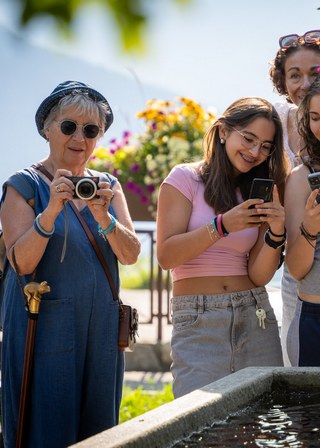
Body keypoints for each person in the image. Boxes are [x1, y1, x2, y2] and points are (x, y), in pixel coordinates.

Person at [0, 80, 141, 447]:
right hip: (43, 326)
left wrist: (104, 217)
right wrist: (50, 212)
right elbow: (21, 262)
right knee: (45, 425)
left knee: (99, 429)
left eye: (90, 130)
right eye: (68, 126)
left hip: (101, 329)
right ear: (47, 128)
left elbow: (130, 254)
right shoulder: (23, 186)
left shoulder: (107, 186)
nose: (79, 137)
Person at [156, 96, 289, 398]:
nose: (255, 152)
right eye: (249, 138)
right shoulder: (184, 178)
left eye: (266, 146)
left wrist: (277, 233)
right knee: (200, 428)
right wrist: (221, 226)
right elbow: (166, 256)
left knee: (259, 428)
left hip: (255, 313)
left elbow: (258, 276)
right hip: (199, 318)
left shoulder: (261, 189)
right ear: (224, 131)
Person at [269, 29, 320, 365]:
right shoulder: (273, 120)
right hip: (298, 252)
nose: (303, 83)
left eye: (314, 73)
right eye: (294, 75)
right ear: (283, 82)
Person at [284, 79, 320, 366]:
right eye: (316, 117)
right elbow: (296, 269)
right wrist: (310, 228)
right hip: (315, 320)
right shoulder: (300, 178)